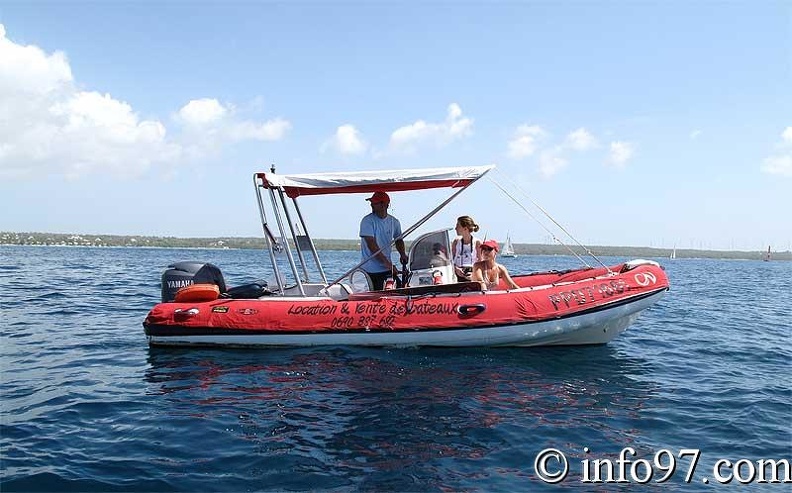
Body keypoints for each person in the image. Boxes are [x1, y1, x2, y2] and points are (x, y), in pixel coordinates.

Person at [359, 191, 409, 290]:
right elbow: (372, 245)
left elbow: (398, 240)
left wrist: (402, 254)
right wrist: (387, 264)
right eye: (371, 202)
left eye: (375, 202)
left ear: (384, 204)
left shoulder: (394, 222)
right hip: (370, 270)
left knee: (400, 289)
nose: (371, 205)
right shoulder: (367, 221)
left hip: (386, 268)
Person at [451, 215, 483, 282]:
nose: (455, 228)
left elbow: (481, 263)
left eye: (458, 226)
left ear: (465, 228)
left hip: (472, 274)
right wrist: (456, 269)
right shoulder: (456, 242)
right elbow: (450, 260)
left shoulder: (477, 242)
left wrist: (474, 274)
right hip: (457, 274)